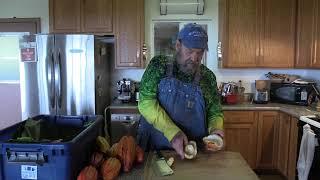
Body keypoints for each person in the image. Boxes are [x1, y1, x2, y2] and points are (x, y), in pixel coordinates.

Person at [137, 23, 224, 159]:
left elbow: (214, 111)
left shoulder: (207, 78)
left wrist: (216, 130)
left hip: (192, 151)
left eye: (200, 52)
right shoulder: (158, 66)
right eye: (189, 51)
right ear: (178, 45)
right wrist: (173, 132)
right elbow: (145, 102)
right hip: (154, 151)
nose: (195, 58)